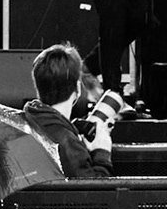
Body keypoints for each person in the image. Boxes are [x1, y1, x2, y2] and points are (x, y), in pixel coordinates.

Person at [22, 43, 113, 179]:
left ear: (39, 86)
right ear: (77, 87)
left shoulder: (22, 127)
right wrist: (102, 153)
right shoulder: (67, 144)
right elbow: (96, 193)